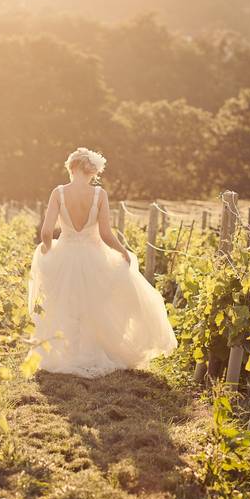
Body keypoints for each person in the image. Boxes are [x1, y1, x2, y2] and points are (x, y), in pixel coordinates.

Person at [27, 147, 177, 377]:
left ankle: (66, 353)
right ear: (91, 172)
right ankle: (91, 351)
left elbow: (46, 232)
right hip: (93, 255)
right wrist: (123, 252)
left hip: (65, 253)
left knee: (66, 305)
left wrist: (48, 251)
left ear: (72, 168)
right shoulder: (99, 195)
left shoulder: (58, 192)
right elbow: (106, 234)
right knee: (94, 305)